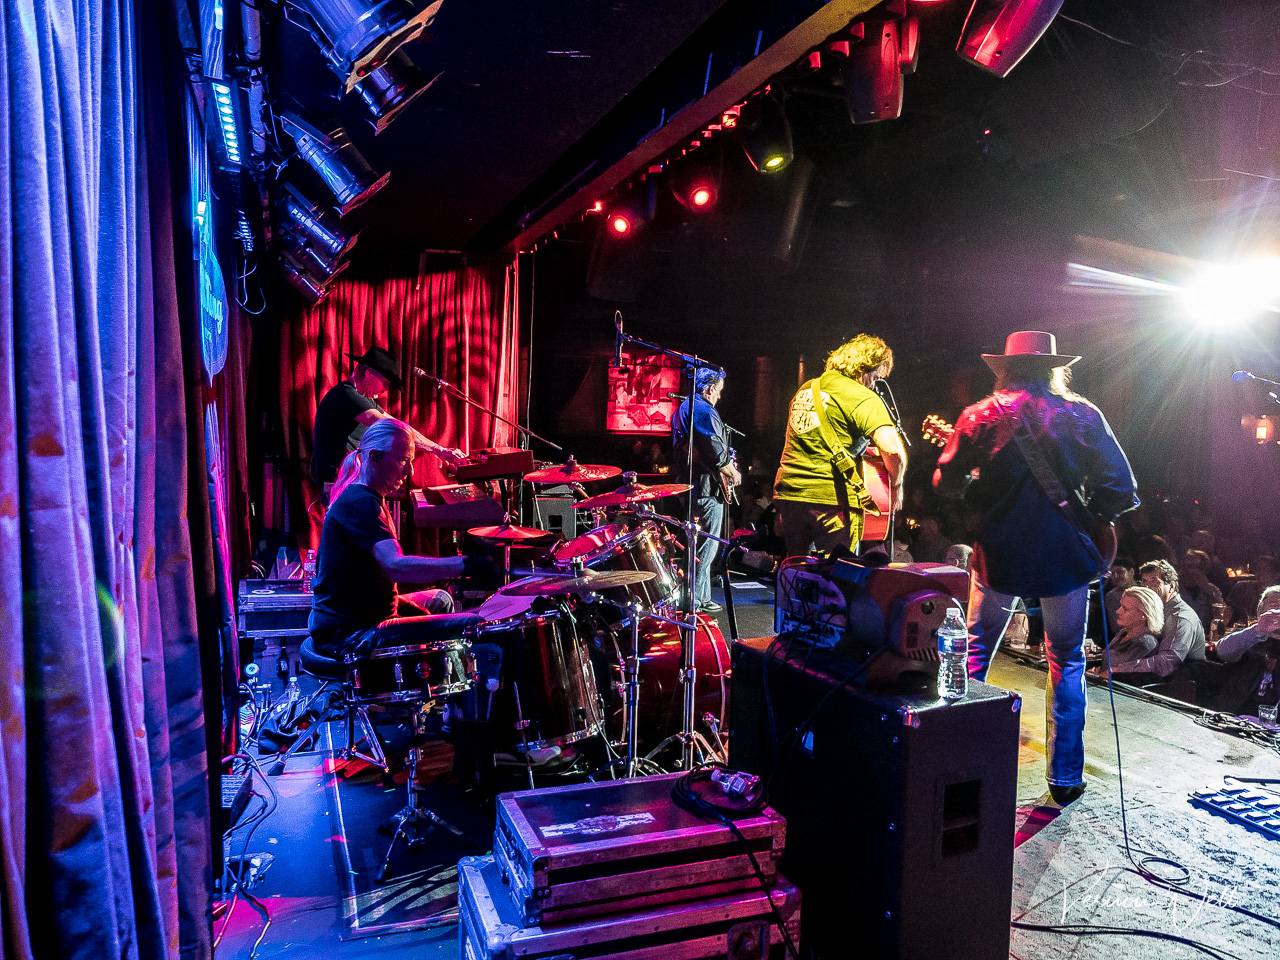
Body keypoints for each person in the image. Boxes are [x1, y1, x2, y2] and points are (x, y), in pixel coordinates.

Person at [933, 331, 1139, 805]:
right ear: (1054, 368)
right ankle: (1064, 777)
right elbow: (1121, 488)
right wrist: (1087, 512)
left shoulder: (979, 415)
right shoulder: (1083, 414)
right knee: (1066, 658)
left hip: (1000, 554)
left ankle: (955, 760)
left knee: (975, 650)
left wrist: (976, 480)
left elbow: (945, 483)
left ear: (1004, 369)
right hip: (1064, 555)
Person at [308, 418, 488, 660]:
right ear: (375, 457)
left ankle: (437, 676)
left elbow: (366, 586)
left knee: (440, 600)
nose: (410, 471)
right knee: (475, 623)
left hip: (355, 618)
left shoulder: (363, 495)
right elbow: (396, 566)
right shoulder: (362, 503)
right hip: (352, 634)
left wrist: (411, 610)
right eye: (404, 460)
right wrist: (466, 565)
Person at [774, 334, 906, 559]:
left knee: (796, 570)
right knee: (837, 572)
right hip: (832, 500)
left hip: (790, 496)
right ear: (864, 369)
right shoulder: (862, 397)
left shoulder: (807, 388)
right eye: (875, 377)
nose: (874, 384)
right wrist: (897, 486)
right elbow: (893, 451)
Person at [311, 346, 466, 488]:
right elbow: (395, 429)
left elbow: (398, 425)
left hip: (347, 477)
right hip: (336, 481)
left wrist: (440, 450)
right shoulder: (346, 394)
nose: (386, 388)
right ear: (368, 373)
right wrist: (440, 451)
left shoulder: (361, 398)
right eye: (384, 382)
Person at [672, 367, 741, 613]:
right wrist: (733, 472)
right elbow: (715, 450)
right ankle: (696, 600)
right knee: (707, 545)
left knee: (698, 544)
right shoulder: (704, 410)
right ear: (710, 388)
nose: (719, 396)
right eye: (719, 391)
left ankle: (700, 596)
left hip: (691, 486)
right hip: (705, 489)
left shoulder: (684, 407)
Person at [1132, 559, 1207, 676]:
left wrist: (1119, 668)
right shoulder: (1152, 610)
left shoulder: (1180, 618)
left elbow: (1167, 663)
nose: (1146, 587)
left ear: (1171, 586)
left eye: (1154, 581)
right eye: (1144, 581)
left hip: (1180, 681)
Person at [1214, 586, 1280, 719]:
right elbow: (1222, 651)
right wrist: (1259, 630)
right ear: (1260, 611)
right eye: (1274, 606)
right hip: (1238, 713)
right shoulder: (1250, 635)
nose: (1278, 612)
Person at [1092, 586, 1164, 676]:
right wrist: (1097, 671)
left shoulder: (1146, 643)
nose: (1118, 611)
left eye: (1125, 609)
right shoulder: (1123, 633)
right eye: (1120, 606)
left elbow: (1121, 675)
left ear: (1144, 615)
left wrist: (1099, 675)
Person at [1178, 549, 1224, 632]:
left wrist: (1209, 592)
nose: (1188, 571)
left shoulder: (1212, 590)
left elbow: (1221, 615)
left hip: (1204, 634)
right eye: (1185, 566)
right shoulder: (1172, 589)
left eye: (1193, 567)